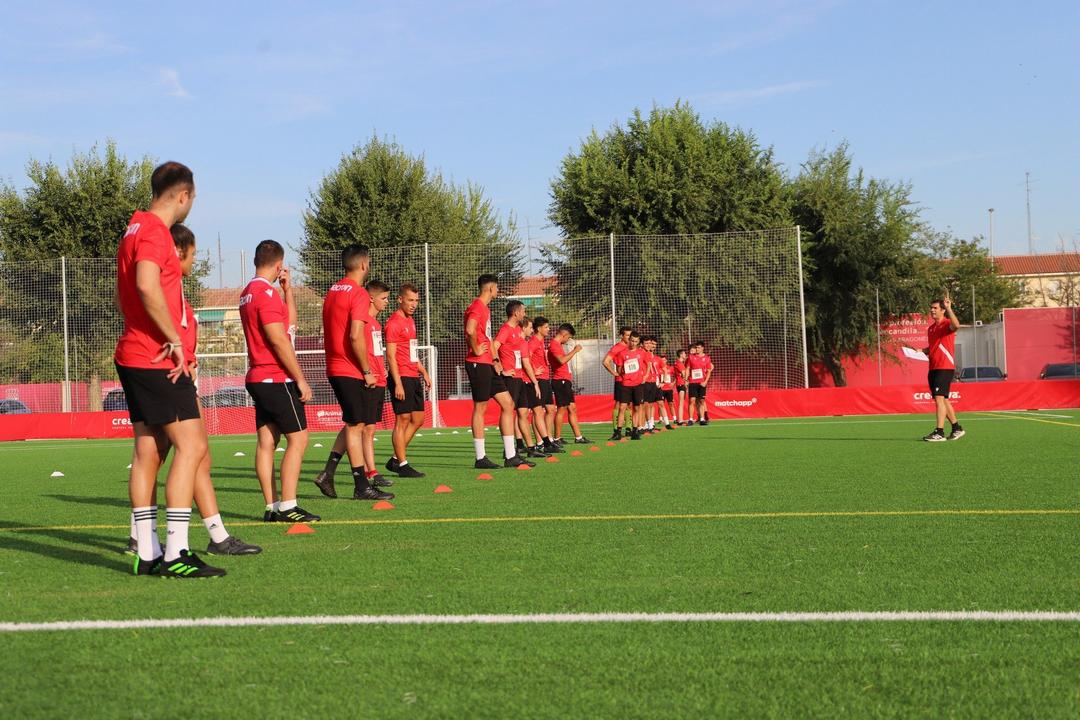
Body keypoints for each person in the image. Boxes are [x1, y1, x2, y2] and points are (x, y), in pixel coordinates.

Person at [114, 161, 224, 578]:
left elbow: (123, 294)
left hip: (134, 352)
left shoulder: (132, 228)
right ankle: (177, 553)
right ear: (184, 195)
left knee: (149, 451)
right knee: (192, 448)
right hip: (156, 358)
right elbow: (145, 284)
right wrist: (173, 340)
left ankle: (147, 553)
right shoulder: (156, 232)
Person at [124, 225, 260, 557]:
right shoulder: (163, 293)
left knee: (160, 454)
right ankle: (186, 545)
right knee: (188, 452)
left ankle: (146, 540)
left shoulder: (175, 296)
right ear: (178, 251)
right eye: (194, 253)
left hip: (166, 373)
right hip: (167, 374)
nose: (195, 260)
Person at [239, 240, 318, 523]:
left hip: (257, 377)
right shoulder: (266, 294)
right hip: (275, 377)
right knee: (299, 439)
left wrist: (288, 290)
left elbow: (288, 327)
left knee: (266, 442)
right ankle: (288, 506)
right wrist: (300, 379)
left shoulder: (247, 294)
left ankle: (272, 507)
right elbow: (279, 339)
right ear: (278, 265)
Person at [314, 245, 393, 501]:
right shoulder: (358, 293)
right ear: (363, 264)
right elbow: (355, 335)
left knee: (353, 423)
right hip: (350, 368)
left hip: (335, 366)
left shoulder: (333, 290)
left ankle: (328, 474)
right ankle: (361, 486)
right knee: (356, 426)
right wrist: (367, 370)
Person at [464, 274, 530, 469]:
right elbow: (470, 330)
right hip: (477, 363)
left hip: (488, 364)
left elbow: (486, 337)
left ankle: (511, 455)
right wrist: (476, 349)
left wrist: (495, 360)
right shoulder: (477, 306)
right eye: (497, 288)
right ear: (491, 288)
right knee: (480, 408)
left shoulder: (485, 309)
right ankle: (480, 458)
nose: (498, 291)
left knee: (508, 404)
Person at [383, 283, 432, 478]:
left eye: (416, 301)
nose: (414, 304)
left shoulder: (410, 321)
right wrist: (397, 383)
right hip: (401, 376)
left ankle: (395, 459)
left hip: (413, 375)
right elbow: (390, 356)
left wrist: (424, 371)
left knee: (418, 419)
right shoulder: (393, 323)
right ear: (400, 299)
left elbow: (411, 352)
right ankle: (402, 464)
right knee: (402, 420)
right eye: (410, 300)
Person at [494, 301, 544, 463]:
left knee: (523, 412)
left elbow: (525, 360)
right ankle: (508, 449)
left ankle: (530, 448)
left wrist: (534, 381)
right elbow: (494, 346)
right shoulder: (506, 329)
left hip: (520, 378)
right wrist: (500, 368)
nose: (525, 313)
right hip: (510, 378)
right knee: (508, 411)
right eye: (523, 311)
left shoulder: (517, 331)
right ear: (516, 313)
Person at [356, 280, 392, 485]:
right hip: (369, 381)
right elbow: (359, 349)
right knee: (365, 429)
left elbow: (374, 351)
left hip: (380, 380)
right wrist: (367, 372)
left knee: (370, 428)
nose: (386, 302)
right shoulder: (363, 322)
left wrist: (382, 368)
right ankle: (370, 472)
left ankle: (369, 471)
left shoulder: (376, 324)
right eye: (383, 298)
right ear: (371, 298)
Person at [919, 296, 965, 442]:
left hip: (944, 367)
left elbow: (956, 325)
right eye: (931, 308)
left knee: (940, 398)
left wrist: (950, 308)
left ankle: (939, 432)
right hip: (933, 367)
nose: (932, 310)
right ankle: (957, 428)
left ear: (943, 310)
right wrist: (922, 351)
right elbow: (933, 347)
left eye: (935, 308)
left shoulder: (946, 324)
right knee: (943, 399)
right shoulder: (931, 329)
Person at [548, 323, 590, 444]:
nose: (567, 340)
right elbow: (561, 360)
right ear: (564, 334)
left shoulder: (558, 345)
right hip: (560, 380)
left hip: (565, 380)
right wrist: (575, 351)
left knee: (572, 408)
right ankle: (557, 438)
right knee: (562, 409)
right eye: (568, 337)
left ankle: (578, 437)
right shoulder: (554, 345)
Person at [525, 317, 562, 454]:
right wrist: (534, 370)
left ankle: (549, 439)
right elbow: (526, 358)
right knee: (538, 411)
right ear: (538, 328)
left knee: (551, 409)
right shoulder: (533, 341)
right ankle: (540, 442)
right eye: (546, 327)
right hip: (539, 380)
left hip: (545, 379)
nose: (548, 329)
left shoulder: (541, 342)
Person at [603, 326, 633, 440]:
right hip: (621, 381)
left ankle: (629, 429)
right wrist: (614, 373)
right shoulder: (617, 347)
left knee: (629, 404)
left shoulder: (631, 347)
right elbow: (605, 361)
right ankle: (616, 430)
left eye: (630, 335)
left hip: (631, 380)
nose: (629, 337)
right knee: (619, 404)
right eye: (627, 335)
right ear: (621, 336)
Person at [619, 332, 648, 439]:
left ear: (638, 342)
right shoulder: (622, 353)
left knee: (636, 408)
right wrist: (622, 374)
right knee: (622, 407)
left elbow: (648, 364)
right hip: (626, 384)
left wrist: (645, 376)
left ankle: (635, 431)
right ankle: (618, 432)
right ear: (629, 340)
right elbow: (619, 368)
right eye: (632, 341)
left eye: (636, 341)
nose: (633, 343)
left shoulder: (642, 352)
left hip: (638, 384)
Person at [686, 342, 713, 425]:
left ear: (702, 348)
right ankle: (690, 419)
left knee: (701, 401)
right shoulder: (691, 357)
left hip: (702, 383)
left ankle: (702, 419)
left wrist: (705, 382)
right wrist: (686, 379)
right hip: (692, 382)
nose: (697, 349)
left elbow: (709, 371)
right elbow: (688, 368)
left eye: (698, 348)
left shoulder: (707, 358)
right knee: (692, 400)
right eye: (696, 347)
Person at [673, 349, 689, 425]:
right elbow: (683, 373)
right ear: (681, 355)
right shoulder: (679, 363)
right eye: (684, 354)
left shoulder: (679, 363)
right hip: (681, 384)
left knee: (682, 402)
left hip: (680, 383)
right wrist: (686, 380)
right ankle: (680, 420)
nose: (685, 355)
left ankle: (680, 419)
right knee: (681, 402)